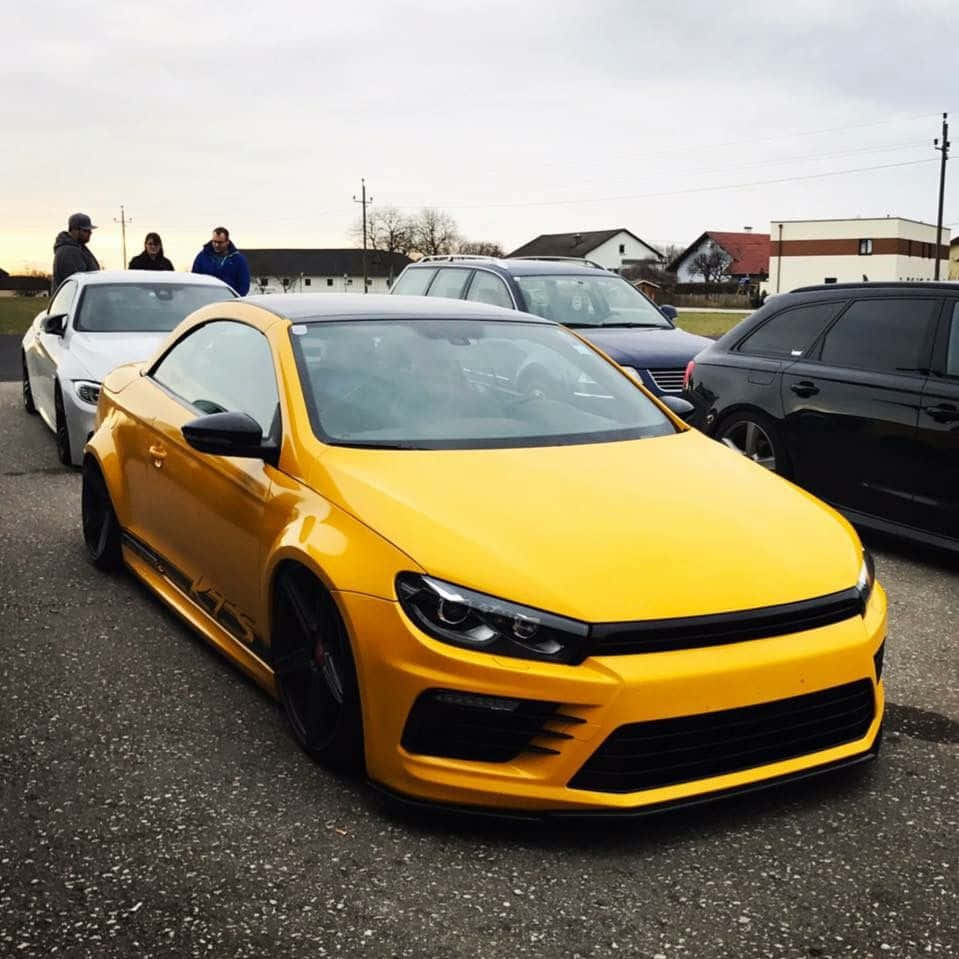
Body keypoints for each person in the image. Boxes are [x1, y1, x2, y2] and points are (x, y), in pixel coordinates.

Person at [191, 226, 250, 295]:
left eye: (220, 242)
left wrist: (234, 299)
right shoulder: (202, 257)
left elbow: (244, 284)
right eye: (214, 241)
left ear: (227, 242)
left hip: (228, 302)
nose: (216, 245)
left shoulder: (239, 260)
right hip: (205, 299)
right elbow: (194, 279)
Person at [52, 213, 100, 290]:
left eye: (90, 230)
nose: (90, 233)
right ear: (74, 230)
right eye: (85, 230)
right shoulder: (69, 252)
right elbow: (77, 283)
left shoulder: (79, 248)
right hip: (73, 301)